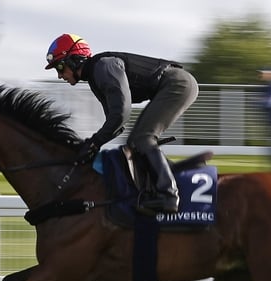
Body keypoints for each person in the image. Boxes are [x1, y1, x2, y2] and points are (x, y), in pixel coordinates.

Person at [44, 33, 199, 214]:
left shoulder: (103, 67)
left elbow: (121, 115)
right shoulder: (96, 77)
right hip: (172, 85)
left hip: (177, 84)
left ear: (74, 60)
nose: (60, 75)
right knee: (135, 142)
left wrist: (94, 143)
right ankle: (166, 182)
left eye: (60, 67)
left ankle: (168, 195)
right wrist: (91, 145)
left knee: (143, 138)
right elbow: (115, 125)